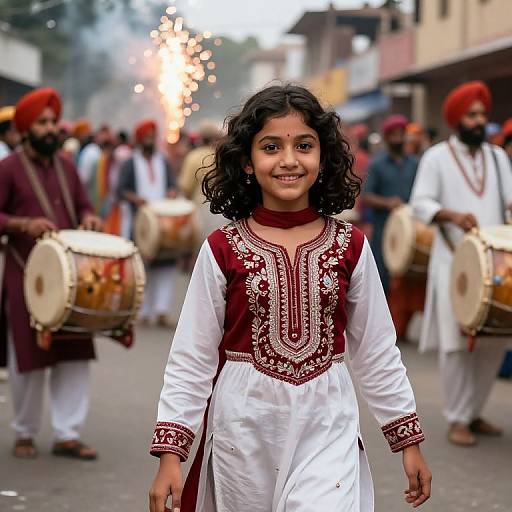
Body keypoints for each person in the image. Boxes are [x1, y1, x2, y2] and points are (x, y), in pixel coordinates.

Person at [148, 85, 431, 512]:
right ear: (247, 160)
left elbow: (376, 351)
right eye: (270, 147)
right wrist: (172, 453)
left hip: (327, 422)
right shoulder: (221, 248)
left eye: (304, 145)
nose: (288, 160)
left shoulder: (350, 245)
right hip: (243, 429)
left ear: (324, 157)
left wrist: (406, 439)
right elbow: (192, 357)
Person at [0, 87, 103, 459]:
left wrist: (90, 216)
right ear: (26, 127)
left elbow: (85, 206)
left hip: (72, 276)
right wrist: (21, 223)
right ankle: (25, 432)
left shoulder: (67, 166)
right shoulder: (8, 167)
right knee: (27, 357)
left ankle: (67, 433)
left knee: (74, 352)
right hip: (29, 275)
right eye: (42, 123)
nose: (50, 128)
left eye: (52, 122)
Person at [410, 80, 512, 446]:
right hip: (453, 262)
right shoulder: (436, 157)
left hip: (496, 265)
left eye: (482, 114)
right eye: (472, 114)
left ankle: (474, 412)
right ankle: (456, 418)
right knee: (455, 345)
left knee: (493, 343)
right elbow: (419, 203)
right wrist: (450, 214)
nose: (479, 120)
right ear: (456, 119)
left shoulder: (499, 158)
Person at [117, 119, 178, 327]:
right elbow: (120, 190)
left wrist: (171, 192)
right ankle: (142, 312)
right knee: (142, 267)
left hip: (163, 223)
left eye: (153, 137)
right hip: (140, 223)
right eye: (147, 137)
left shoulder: (163, 161)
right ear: (140, 139)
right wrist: (136, 199)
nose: (151, 140)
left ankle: (161, 311)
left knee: (167, 265)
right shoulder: (130, 163)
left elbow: (172, 185)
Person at [179, 121, 225, 247]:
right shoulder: (221, 156)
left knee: (201, 248)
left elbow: (185, 186)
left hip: (198, 210)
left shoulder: (193, 156)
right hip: (221, 211)